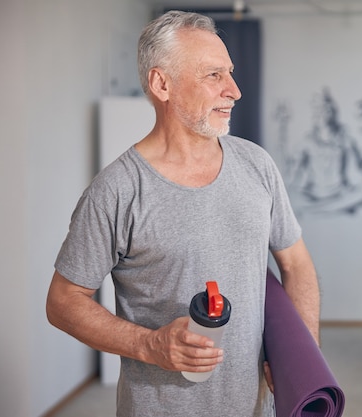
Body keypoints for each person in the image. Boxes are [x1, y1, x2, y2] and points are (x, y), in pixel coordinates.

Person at [46, 10, 320, 417]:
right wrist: (149, 345)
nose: (234, 90)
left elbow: (296, 264)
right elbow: (63, 302)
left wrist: (303, 360)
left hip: (256, 407)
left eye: (230, 73)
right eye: (214, 75)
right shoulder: (118, 190)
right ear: (162, 84)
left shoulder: (257, 165)